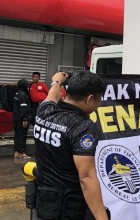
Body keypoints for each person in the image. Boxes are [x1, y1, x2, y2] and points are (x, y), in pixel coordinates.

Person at [33, 71, 109, 220]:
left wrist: (56, 82)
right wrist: (102, 217)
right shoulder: (82, 127)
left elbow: (52, 96)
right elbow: (86, 178)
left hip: (43, 205)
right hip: (69, 209)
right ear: (90, 99)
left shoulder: (44, 110)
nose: (98, 106)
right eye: (99, 100)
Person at [12, 79, 31, 159]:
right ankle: (21, 153)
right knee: (22, 135)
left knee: (17, 135)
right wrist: (25, 119)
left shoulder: (17, 93)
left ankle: (16, 152)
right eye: (27, 85)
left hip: (16, 118)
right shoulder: (23, 95)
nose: (28, 87)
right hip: (21, 119)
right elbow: (23, 109)